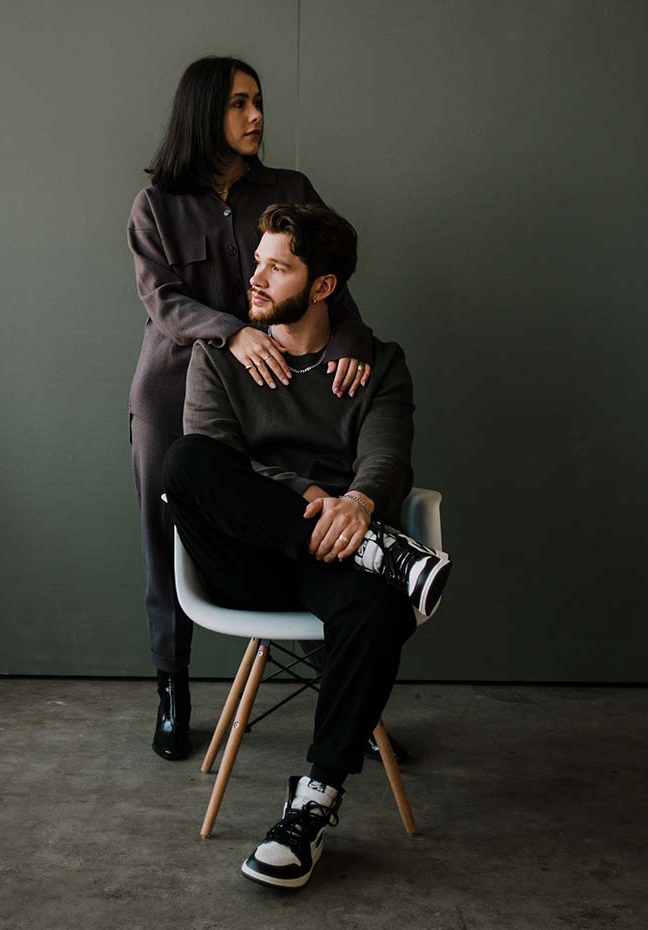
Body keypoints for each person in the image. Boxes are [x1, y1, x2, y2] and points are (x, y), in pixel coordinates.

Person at [164, 202, 452, 889]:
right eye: (257, 261)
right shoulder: (219, 358)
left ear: (323, 286)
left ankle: (313, 806)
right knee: (187, 462)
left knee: (378, 609)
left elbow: (386, 458)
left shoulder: (376, 363)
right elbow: (221, 462)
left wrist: (357, 503)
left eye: (278, 267)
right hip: (247, 558)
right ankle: (380, 551)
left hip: (333, 555)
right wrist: (313, 498)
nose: (255, 278)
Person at [127, 56, 375, 761]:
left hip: (278, 388)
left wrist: (350, 343)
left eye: (258, 101)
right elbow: (163, 301)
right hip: (174, 386)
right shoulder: (155, 206)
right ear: (204, 111)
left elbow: (331, 276)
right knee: (166, 532)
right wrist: (233, 331)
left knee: (301, 508)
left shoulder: (290, 189)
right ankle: (172, 688)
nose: (256, 116)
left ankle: (344, 689)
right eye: (239, 103)